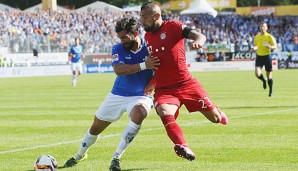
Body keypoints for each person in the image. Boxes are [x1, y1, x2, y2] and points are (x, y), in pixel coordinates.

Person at [63, 18, 160, 171]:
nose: (121, 41)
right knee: (95, 128)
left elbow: (163, 66)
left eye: (124, 37)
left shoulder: (150, 47)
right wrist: (144, 65)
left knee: (139, 114)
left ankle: (116, 157)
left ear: (135, 33)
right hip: (117, 95)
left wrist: (153, 82)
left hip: (141, 96)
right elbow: (119, 70)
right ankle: (80, 155)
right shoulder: (118, 48)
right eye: (119, 37)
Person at [140, 1, 228, 162]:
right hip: (165, 89)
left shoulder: (173, 27)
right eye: (141, 17)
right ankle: (182, 145)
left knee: (215, 119)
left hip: (187, 84)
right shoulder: (146, 37)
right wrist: (153, 81)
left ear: (157, 16)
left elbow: (199, 35)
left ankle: (218, 111)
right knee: (165, 113)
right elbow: (158, 63)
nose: (142, 21)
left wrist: (199, 42)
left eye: (145, 17)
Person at [251, 22, 277, 97]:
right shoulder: (257, 37)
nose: (262, 28)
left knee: (269, 76)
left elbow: (275, 47)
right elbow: (256, 46)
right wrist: (254, 48)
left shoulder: (270, 37)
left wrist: (269, 46)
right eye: (261, 26)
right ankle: (263, 80)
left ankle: (271, 91)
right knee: (257, 73)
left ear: (267, 28)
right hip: (259, 56)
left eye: (263, 26)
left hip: (267, 57)